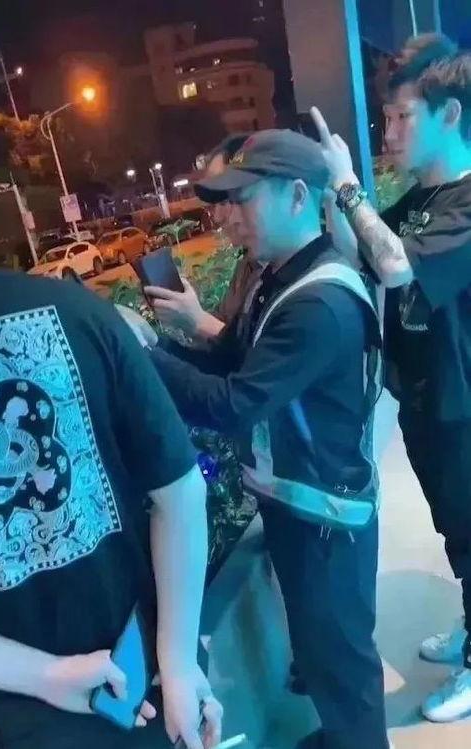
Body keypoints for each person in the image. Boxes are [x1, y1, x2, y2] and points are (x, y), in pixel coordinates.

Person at [128, 129, 389, 749]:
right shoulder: (281, 278)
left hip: (326, 519)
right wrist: (160, 343)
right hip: (301, 505)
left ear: (297, 196)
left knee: (342, 662)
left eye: (243, 199)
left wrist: (138, 356)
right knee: (321, 652)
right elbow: (237, 360)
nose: (229, 217)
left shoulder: (319, 302)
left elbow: (234, 405)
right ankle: (343, 737)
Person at [0, 261, 222, 747]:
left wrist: (44, 675)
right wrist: (178, 662)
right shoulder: (77, 312)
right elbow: (181, 492)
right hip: (134, 684)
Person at [310, 49, 471, 723]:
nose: (391, 132)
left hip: (464, 404)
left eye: (403, 116)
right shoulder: (417, 202)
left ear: (450, 114)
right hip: (429, 399)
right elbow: (368, 258)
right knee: (458, 527)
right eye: (386, 118)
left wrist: (351, 187)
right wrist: (332, 198)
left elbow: (398, 265)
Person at [146, 133, 264, 342]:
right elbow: (226, 336)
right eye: (213, 205)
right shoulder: (249, 263)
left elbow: (257, 354)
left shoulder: (296, 278)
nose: (218, 217)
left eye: (225, 200)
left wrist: (197, 321)